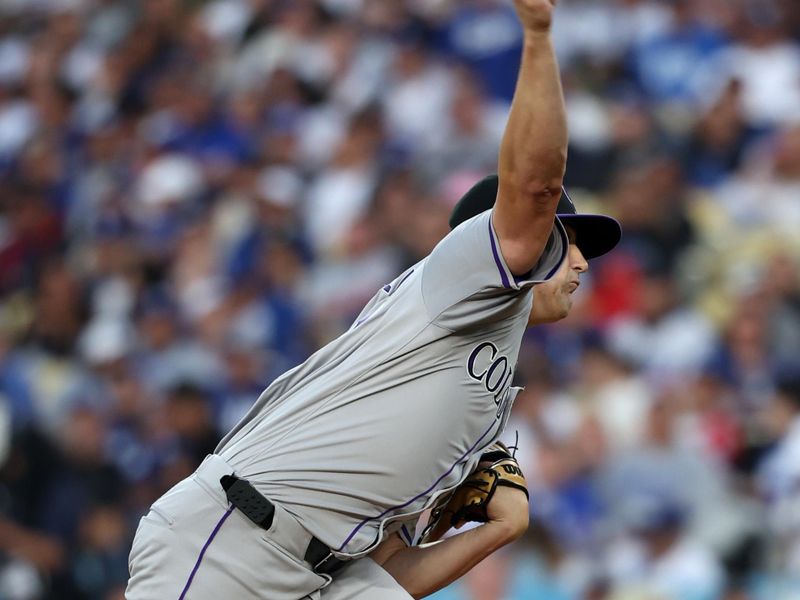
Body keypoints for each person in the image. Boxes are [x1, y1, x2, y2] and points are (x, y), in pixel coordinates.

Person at [125, 1, 621, 599]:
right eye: (564, 243)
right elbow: (535, 187)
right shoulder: (464, 283)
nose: (581, 262)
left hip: (313, 568)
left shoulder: (476, 388)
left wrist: (501, 530)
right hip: (233, 541)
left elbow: (389, 578)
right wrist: (539, 37)